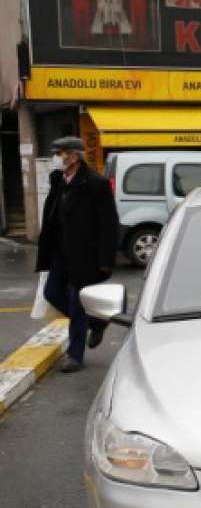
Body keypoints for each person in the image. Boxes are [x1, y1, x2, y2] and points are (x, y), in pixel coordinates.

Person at [36, 138, 119, 373]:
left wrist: (105, 261)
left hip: (85, 255)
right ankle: (97, 322)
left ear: (73, 157)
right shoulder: (58, 181)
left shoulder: (95, 184)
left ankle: (75, 355)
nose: (55, 157)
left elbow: (109, 224)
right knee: (52, 292)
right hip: (61, 252)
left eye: (58, 153)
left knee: (77, 302)